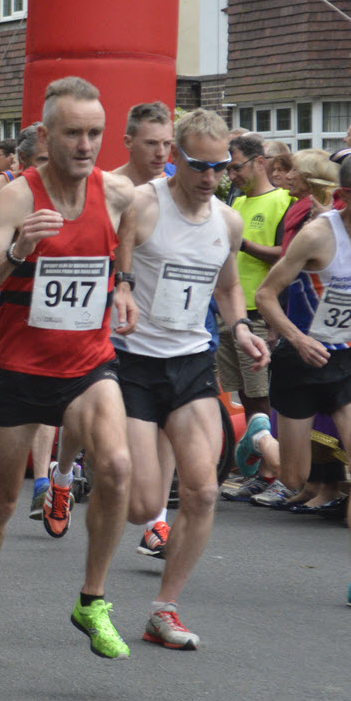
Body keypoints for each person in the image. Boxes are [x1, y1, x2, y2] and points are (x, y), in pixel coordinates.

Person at [0, 76, 138, 662]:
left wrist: (125, 286)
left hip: (89, 363)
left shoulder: (115, 196)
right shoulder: (16, 199)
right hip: (21, 368)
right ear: (44, 134)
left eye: (95, 134)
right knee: (2, 503)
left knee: (113, 466)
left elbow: (125, 238)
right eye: (73, 133)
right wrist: (16, 253)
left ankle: (92, 599)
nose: (86, 145)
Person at [113, 109, 269, 648]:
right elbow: (116, 267)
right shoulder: (143, 205)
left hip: (190, 363)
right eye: (199, 166)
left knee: (203, 491)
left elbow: (227, 287)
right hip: (133, 363)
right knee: (140, 505)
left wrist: (242, 329)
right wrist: (124, 289)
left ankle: (164, 610)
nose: (209, 179)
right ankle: (91, 444)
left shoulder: (227, 221)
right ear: (174, 157)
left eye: (220, 167)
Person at [254, 151, 351, 609]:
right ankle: (261, 438)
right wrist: (297, 340)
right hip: (302, 360)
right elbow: (266, 295)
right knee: (293, 476)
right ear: (342, 196)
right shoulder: (318, 236)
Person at [108, 100, 180, 555]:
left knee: (170, 421)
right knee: (80, 414)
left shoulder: (179, 188)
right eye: (151, 143)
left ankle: (158, 521)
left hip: (169, 319)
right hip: (109, 313)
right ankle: (59, 474)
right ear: (129, 141)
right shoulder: (111, 186)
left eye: (167, 144)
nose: (160, 153)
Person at [216, 133, 292, 490]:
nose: (231, 175)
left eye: (236, 167)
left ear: (259, 162)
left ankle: (271, 473)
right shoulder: (237, 202)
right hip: (231, 315)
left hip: (259, 316)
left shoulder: (281, 201)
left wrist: (243, 243)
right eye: (227, 169)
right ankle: (255, 465)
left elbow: (288, 254)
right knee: (245, 394)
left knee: (262, 393)